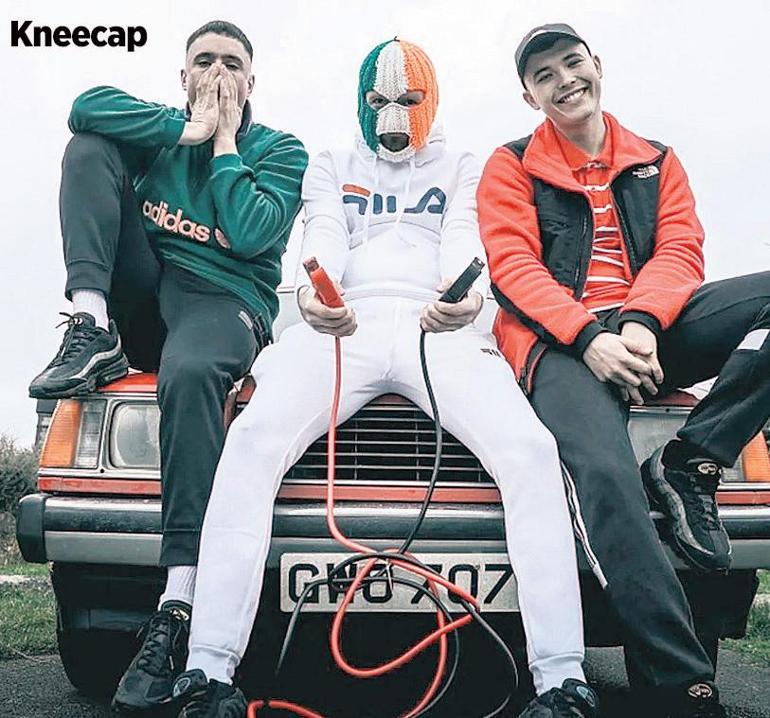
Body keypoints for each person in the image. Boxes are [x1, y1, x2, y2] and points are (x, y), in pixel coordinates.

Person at [170, 39, 599, 718]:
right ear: (361, 102)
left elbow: (464, 236)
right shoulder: (330, 163)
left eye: (409, 100)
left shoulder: (463, 164)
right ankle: (207, 669)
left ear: (432, 100)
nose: (393, 115)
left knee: (531, 451)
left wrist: (465, 295)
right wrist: (316, 295)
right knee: (249, 443)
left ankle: (563, 679)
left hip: (442, 328)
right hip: (344, 325)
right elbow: (323, 235)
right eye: (378, 101)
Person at [478, 22, 770, 718]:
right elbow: (512, 268)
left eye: (571, 62)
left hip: (652, 325)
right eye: (544, 75)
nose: (564, 80)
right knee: (606, 478)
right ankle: (681, 684)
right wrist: (588, 338)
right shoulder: (511, 164)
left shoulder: (656, 160)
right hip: (557, 342)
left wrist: (640, 323)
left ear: (597, 65)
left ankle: (690, 460)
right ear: (529, 96)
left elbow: (680, 249)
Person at [27, 20, 308, 711]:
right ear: (183, 77)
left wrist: (223, 143)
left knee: (188, 375)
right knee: (89, 147)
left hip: (222, 299)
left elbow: (251, 232)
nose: (217, 73)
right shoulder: (157, 131)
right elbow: (85, 108)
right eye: (203, 61)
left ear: (252, 81)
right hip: (146, 288)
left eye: (232, 63)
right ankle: (91, 324)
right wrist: (186, 130)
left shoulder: (281, 150)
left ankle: (178, 603)